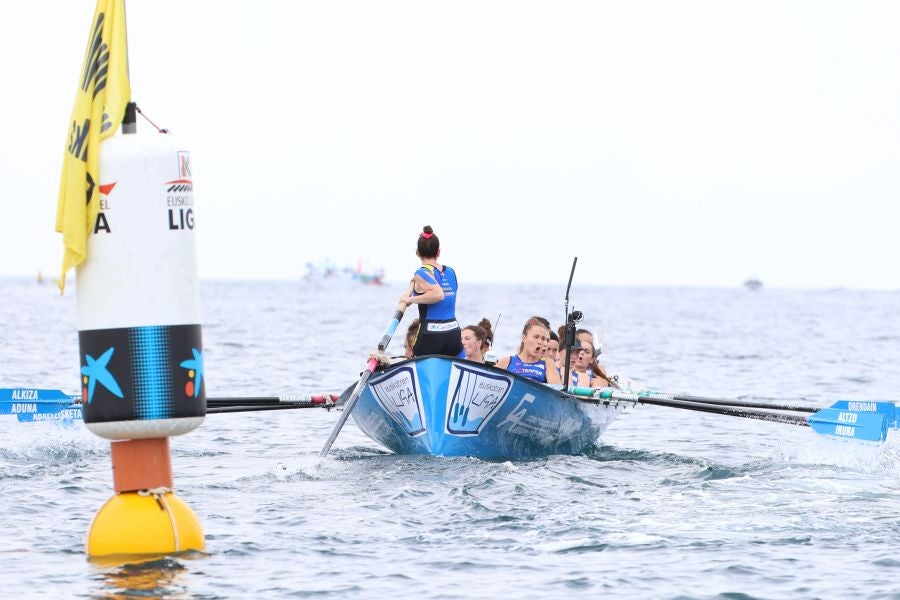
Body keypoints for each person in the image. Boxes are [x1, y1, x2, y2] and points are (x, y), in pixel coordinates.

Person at [399, 225, 464, 358]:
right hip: (454, 334)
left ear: (417, 252)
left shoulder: (421, 273)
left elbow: (438, 294)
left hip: (430, 336)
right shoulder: (451, 272)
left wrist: (410, 299)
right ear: (438, 252)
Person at [496, 317, 562, 384]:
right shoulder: (507, 361)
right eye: (536, 337)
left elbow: (556, 391)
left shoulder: (548, 363)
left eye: (543, 339)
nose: (540, 342)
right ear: (524, 338)